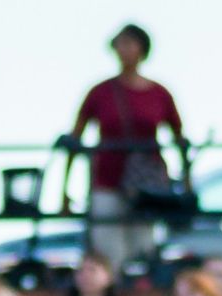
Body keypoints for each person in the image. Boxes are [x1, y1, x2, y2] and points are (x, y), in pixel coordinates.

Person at [60, 24, 189, 268]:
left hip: (145, 184)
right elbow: (74, 140)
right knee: (107, 248)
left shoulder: (159, 94)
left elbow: (179, 138)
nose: (124, 50)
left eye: (130, 43)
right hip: (108, 179)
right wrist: (64, 191)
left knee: (142, 247)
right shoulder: (100, 92)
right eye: (120, 44)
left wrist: (186, 182)